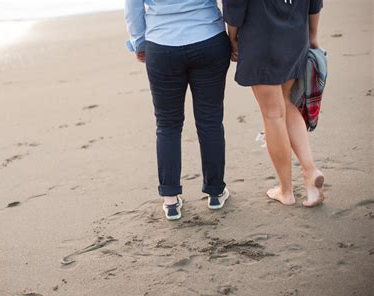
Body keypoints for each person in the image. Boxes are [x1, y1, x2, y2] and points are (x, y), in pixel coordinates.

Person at [124, 0, 231, 220]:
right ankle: (215, 192)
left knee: (167, 125)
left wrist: (139, 42)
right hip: (209, 39)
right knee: (210, 121)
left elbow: (133, 8)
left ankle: (170, 199)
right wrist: (235, 35)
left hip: (162, 45)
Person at [223, 0, 325, 207]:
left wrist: (232, 38)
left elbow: (234, 6)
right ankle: (310, 172)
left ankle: (286, 191)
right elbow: (315, 3)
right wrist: (313, 35)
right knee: (286, 104)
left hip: (260, 37)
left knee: (273, 114)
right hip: (295, 35)